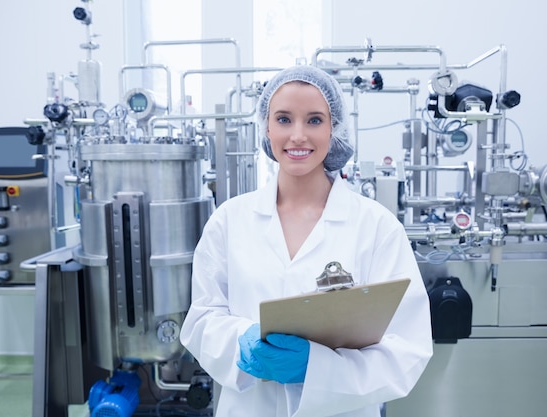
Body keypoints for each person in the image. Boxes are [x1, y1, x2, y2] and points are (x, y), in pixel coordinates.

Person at [179, 65, 433, 417]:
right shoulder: (229, 221)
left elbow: (407, 348)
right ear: (266, 127)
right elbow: (202, 319)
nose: (298, 135)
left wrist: (318, 368)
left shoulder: (376, 227)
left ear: (334, 129)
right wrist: (241, 345)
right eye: (284, 119)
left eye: (314, 120)